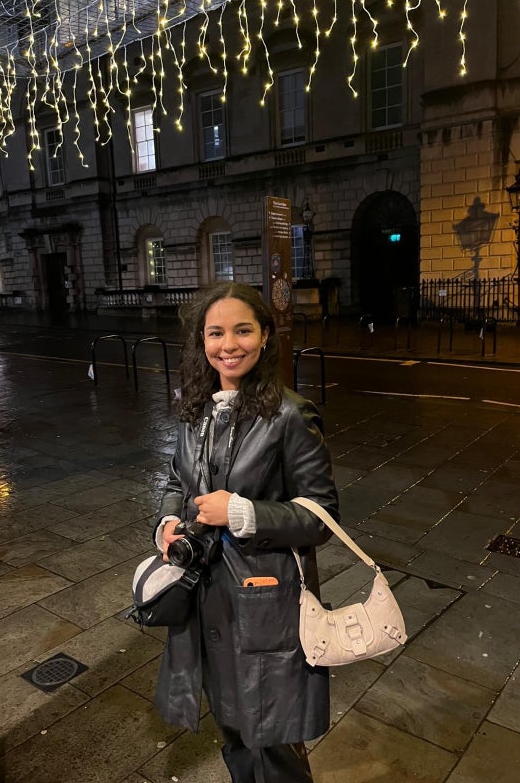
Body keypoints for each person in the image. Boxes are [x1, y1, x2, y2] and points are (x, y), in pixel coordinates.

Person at [153, 281, 339, 783]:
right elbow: (176, 480)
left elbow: (322, 516)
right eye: (216, 333)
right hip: (204, 596)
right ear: (202, 340)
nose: (229, 345)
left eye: (243, 331)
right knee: (231, 725)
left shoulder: (291, 415)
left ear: (265, 336)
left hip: (266, 599)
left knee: (272, 738)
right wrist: (167, 523)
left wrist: (241, 512)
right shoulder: (195, 409)